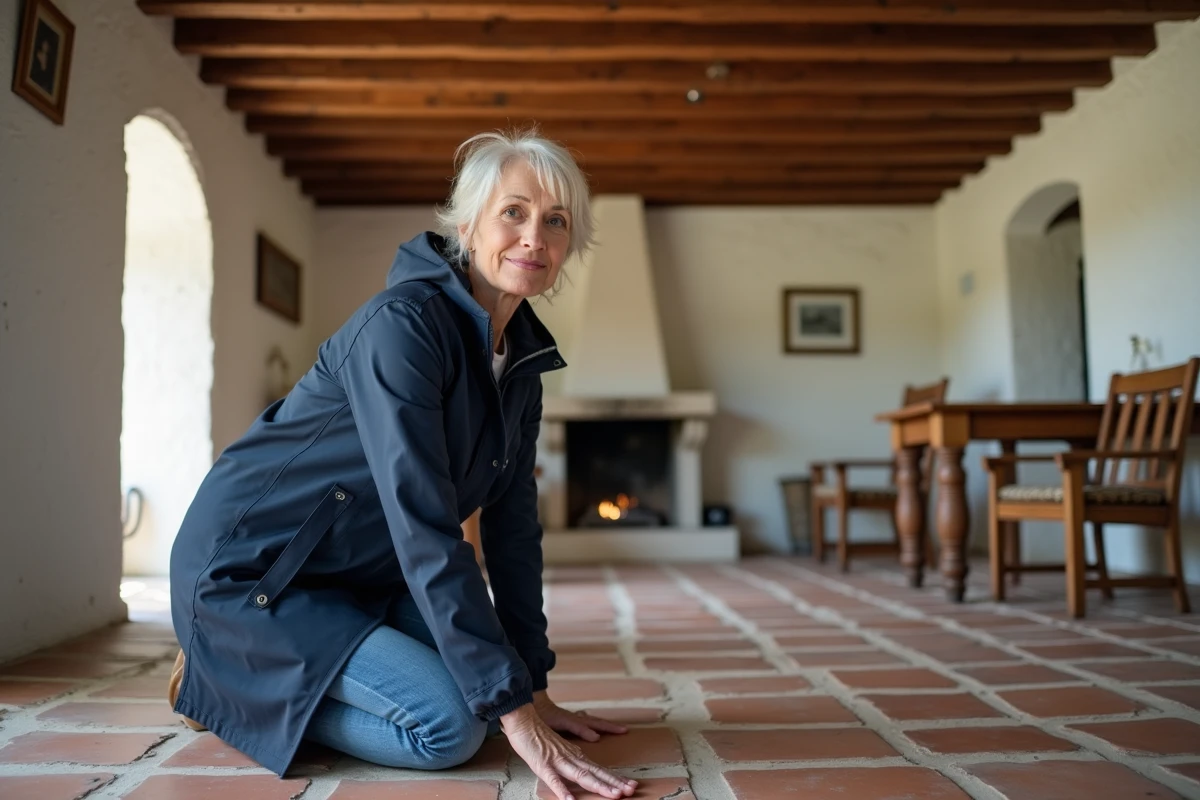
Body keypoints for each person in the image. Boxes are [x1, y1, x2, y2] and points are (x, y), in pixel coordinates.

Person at [168, 129, 638, 800]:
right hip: (255, 578)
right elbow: (423, 521)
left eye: (555, 221)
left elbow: (513, 529)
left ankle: (258, 679)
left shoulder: (522, 362)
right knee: (449, 728)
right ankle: (221, 680)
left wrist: (532, 687)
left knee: (492, 681)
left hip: (355, 578)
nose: (535, 235)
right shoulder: (404, 326)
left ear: (569, 245)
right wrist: (515, 719)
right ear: (469, 224)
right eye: (514, 212)